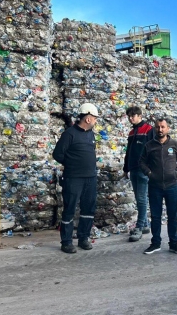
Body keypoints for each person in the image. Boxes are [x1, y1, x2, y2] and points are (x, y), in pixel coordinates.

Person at [52, 103, 99, 254]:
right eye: (95, 119)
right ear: (88, 118)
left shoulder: (91, 134)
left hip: (90, 178)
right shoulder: (70, 134)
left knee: (88, 208)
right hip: (73, 178)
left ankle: (83, 238)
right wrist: (72, 164)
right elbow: (57, 154)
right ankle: (66, 242)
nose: (95, 121)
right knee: (70, 209)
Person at [139, 118, 177, 255]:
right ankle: (155, 243)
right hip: (155, 186)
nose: (160, 130)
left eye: (162, 127)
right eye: (157, 127)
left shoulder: (174, 145)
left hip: (172, 186)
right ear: (154, 129)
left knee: (172, 216)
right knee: (156, 216)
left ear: (168, 129)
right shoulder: (149, 146)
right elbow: (141, 162)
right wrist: (149, 173)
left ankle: (174, 243)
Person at [123, 106, 154, 242]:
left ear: (140, 115)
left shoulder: (148, 130)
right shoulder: (131, 132)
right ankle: (146, 225)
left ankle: (140, 227)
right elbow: (129, 151)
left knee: (141, 199)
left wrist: (150, 169)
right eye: (129, 116)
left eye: (133, 115)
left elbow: (153, 150)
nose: (131, 118)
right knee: (139, 198)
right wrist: (125, 168)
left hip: (143, 170)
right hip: (133, 169)